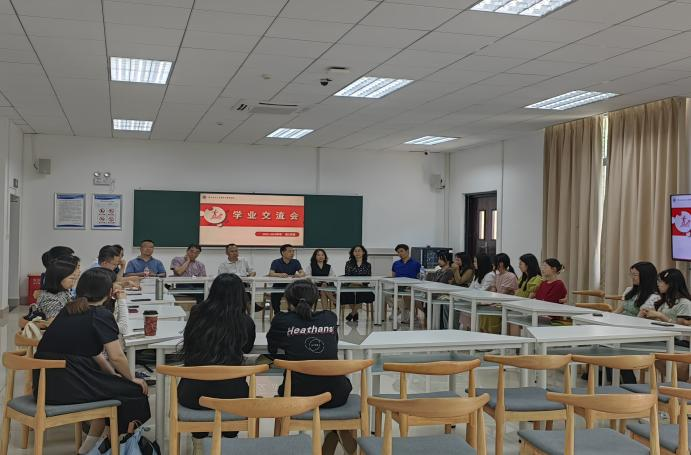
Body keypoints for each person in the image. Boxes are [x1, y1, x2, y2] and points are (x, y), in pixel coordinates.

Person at [34, 268, 150, 454]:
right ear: (109, 291)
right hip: (71, 384)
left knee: (117, 387)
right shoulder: (100, 314)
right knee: (135, 391)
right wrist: (130, 379)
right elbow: (116, 356)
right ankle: (118, 443)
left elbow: (95, 354)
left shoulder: (69, 309)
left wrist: (114, 376)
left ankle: (91, 448)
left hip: (45, 386)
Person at [178, 274, 256, 454]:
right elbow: (248, 348)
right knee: (231, 389)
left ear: (213, 291)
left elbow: (188, 342)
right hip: (232, 398)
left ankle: (199, 442)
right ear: (240, 295)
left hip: (193, 395)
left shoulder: (197, 313)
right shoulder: (245, 321)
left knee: (201, 384)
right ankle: (229, 441)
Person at [267, 279, 352, 405]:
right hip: (335, 396)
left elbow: (272, 350)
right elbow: (334, 344)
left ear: (288, 301)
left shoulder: (281, 321)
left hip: (296, 396)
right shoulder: (329, 318)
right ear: (315, 300)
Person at [641, 268, 691, 381]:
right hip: (664, 337)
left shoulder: (685, 303)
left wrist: (660, 316)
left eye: (660, 281)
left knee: (648, 350)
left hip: (679, 341)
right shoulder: (665, 301)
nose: (658, 284)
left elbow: (681, 328)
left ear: (670, 284)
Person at [342, 245, 376, 323]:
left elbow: (368, 278)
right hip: (350, 284)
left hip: (363, 285)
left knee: (363, 294)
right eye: (355, 251)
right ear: (353, 253)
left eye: (359, 250)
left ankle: (353, 313)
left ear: (363, 252)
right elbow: (347, 276)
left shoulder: (367, 264)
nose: (357, 252)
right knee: (347, 293)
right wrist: (356, 283)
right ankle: (355, 312)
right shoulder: (349, 263)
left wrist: (360, 283)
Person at [390, 244, 422, 325]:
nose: (400, 253)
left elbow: (420, 278)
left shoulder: (416, 264)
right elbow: (393, 277)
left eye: (401, 251)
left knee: (406, 295)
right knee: (385, 294)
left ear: (407, 251)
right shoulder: (396, 264)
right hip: (398, 286)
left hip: (410, 287)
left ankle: (407, 314)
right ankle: (399, 310)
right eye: (398, 252)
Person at [268, 244, 305, 314]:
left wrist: (299, 275)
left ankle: (293, 312)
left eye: (293, 251)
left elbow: (303, 272)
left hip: (291, 286)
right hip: (278, 285)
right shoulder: (276, 262)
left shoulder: (295, 262)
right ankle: (277, 313)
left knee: (298, 294)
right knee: (274, 295)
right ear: (283, 253)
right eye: (290, 251)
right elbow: (271, 273)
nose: (292, 253)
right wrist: (280, 274)